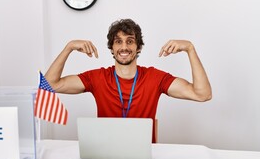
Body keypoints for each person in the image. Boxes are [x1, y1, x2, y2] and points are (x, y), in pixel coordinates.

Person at [44, 18, 212, 142]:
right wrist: (69, 47)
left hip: (144, 158)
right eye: (118, 42)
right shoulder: (97, 77)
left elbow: (202, 94)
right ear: (112, 48)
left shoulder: (155, 78)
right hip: (105, 155)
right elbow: (49, 85)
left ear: (138, 47)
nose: (124, 47)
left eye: (130, 41)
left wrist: (190, 49)